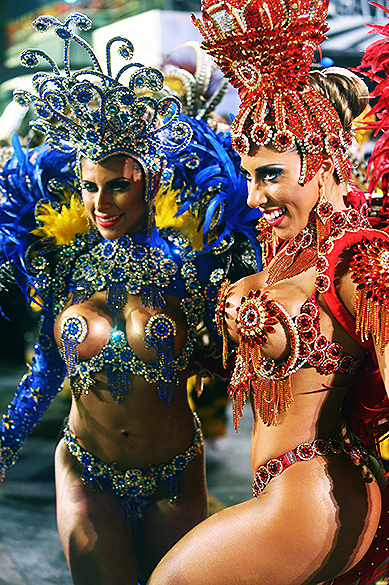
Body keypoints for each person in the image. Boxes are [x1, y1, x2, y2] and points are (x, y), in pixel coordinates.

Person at [0, 12, 259, 585]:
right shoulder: (62, 264)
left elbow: (222, 362)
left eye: (119, 184)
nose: (101, 202)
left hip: (174, 472)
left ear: (150, 182)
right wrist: (4, 443)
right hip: (85, 468)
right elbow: (45, 370)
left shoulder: (188, 266)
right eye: (91, 186)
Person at [147, 1, 389, 584]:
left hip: (318, 495)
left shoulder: (362, 261)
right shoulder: (283, 256)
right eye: (248, 174)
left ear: (326, 158)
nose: (254, 197)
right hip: (290, 495)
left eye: (271, 174)